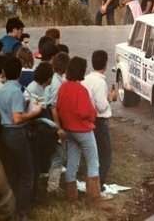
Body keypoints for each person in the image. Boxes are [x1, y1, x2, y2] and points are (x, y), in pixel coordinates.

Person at [56, 56, 112, 210]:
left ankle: (71, 197)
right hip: (83, 129)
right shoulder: (80, 89)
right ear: (81, 71)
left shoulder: (63, 87)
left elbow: (59, 107)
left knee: (72, 161)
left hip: (69, 129)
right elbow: (86, 112)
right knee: (93, 161)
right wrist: (92, 114)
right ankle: (95, 198)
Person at [0, 57, 42, 220]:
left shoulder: (1, 89)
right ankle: (21, 210)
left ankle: (13, 206)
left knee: (13, 172)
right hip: (16, 132)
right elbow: (17, 118)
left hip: (4, 133)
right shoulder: (16, 91)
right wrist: (35, 112)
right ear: (19, 74)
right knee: (27, 173)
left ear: (4, 72)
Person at [82, 50, 118, 199]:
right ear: (105, 64)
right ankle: (99, 186)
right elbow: (102, 106)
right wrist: (111, 97)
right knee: (105, 156)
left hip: (88, 121)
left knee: (93, 155)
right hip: (100, 121)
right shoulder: (100, 82)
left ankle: (92, 185)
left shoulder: (86, 79)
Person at [44, 52, 69, 194]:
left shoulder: (59, 79)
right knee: (59, 154)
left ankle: (53, 185)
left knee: (58, 154)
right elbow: (53, 107)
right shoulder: (56, 83)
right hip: (55, 122)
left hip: (57, 121)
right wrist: (58, 128)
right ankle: (52, 187)